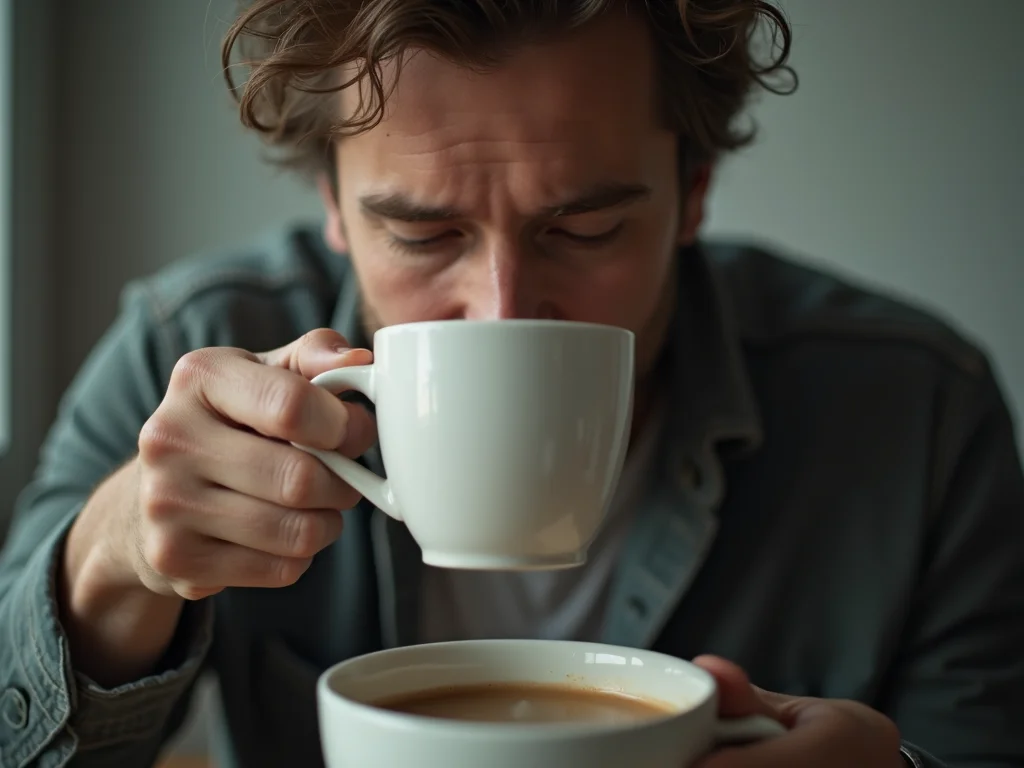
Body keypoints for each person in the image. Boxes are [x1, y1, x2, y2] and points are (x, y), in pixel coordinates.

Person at [0, 0, 1021, 766]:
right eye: (420, 233)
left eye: (583, 230)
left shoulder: (916, 413)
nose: (501, 308)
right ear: (334, 208)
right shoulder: (196, 350)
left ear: (692, 194)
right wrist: (113, 562)